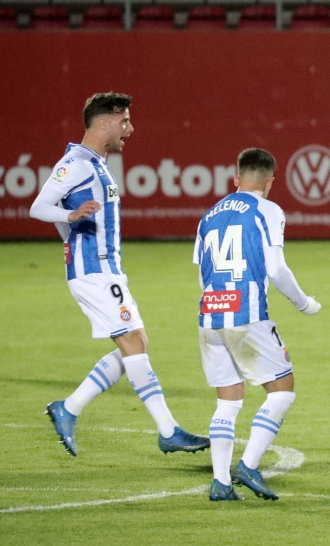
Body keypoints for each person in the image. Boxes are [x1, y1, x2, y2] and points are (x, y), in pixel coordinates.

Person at [29, 92, 210, 457]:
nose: (130, 128)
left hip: (106, 269)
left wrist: (70, 228)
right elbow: (39, 207)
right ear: (103, 123)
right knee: (133, 345)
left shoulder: (97, 163)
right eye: (124, 121)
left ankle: (69, 408)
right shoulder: (76, 163)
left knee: (137, 345)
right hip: (93, 271)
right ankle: (168, 431)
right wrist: (70, 218)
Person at [194, 148, 321, 501]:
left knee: (228, 400)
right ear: (270, 182)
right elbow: (276, 269)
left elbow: (202, 270)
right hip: (246, 314)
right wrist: (304, 303)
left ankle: (221, 483)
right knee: (282, 391)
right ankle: (248, 465)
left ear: (236, 178)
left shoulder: (208, 215)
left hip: (209, 313)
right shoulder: (268, 210)